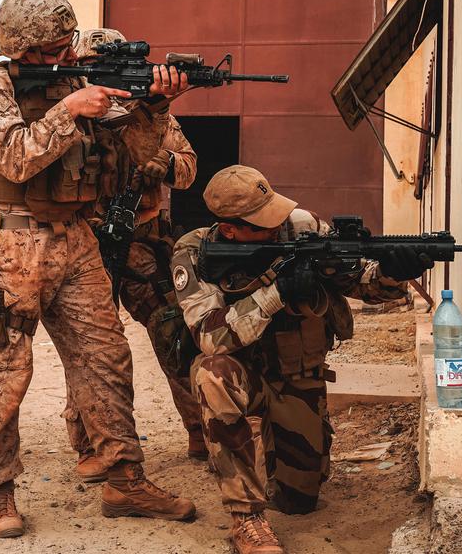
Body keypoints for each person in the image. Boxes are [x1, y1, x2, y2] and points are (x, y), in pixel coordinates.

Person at [0, 0, 196, 538]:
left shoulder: (79, 80)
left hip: (77, 238)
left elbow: (135, 155)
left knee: (106, 356)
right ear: (18, 45)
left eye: (64, 45)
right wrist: (69, 110)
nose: (63, 56)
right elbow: (17, 158)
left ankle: (124, 478)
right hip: (13, 243)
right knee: (7, 366)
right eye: (50, 48)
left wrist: (156, 105)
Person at [171, 165, 432, 553]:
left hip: (296, 374)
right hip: (241, 372)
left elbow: (363, 282)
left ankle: (264, 456)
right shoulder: (193, 252)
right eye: (262, 225)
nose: (277, 226)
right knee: (212, 375)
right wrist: (278, 292)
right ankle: (247, 518)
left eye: (273, 212)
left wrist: (393, 272)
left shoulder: (305, 227)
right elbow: (212, 337)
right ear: (229, 230)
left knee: (299, 501)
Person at [63, 28, 207, 485]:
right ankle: (90, 443)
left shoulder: (150, 113)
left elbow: (188, 168)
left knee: (174, 333)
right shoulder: (73, 111)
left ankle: (200, 428)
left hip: (145, 242)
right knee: (88, 348)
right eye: (89, 63)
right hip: (89, 241)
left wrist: (162, 164)